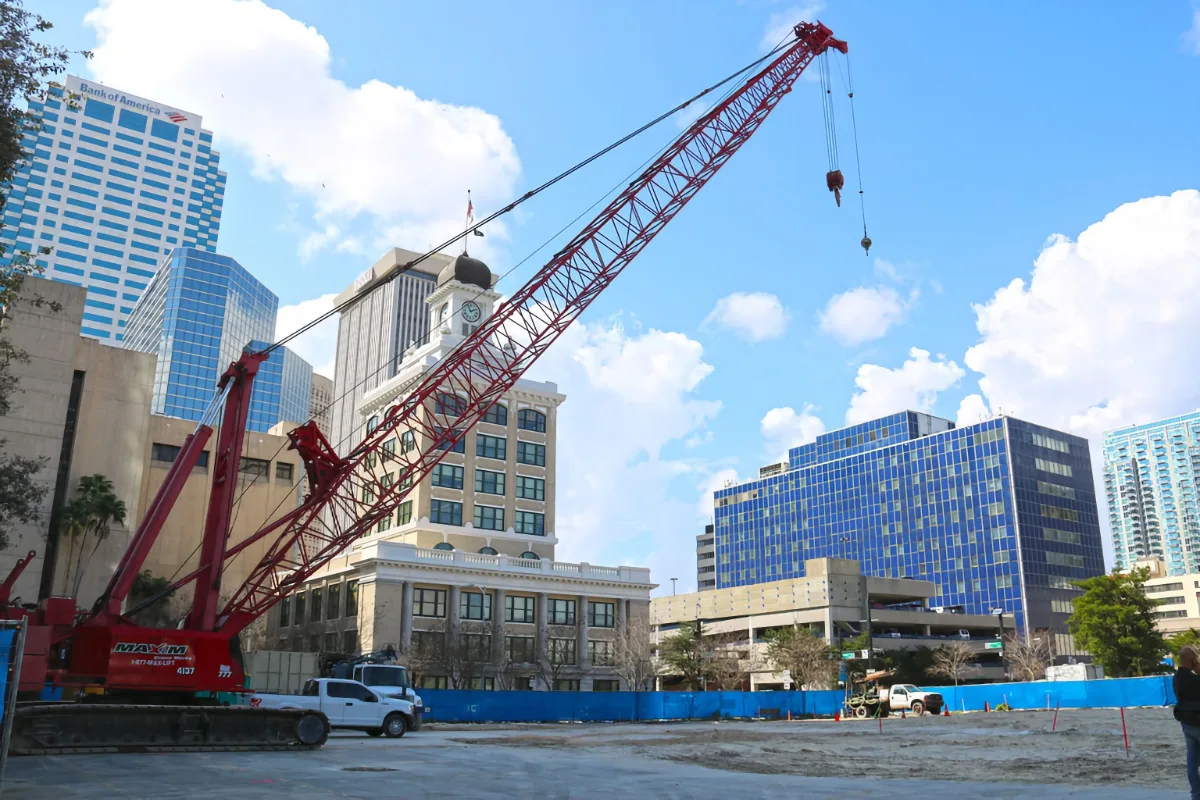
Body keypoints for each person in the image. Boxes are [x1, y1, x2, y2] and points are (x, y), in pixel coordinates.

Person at [1175, 646, 1200, 800]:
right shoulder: (1195, 679)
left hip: (1186, 725)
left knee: (1192, 761)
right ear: (1193, 661)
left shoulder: (1177, 678)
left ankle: (1196, 794)